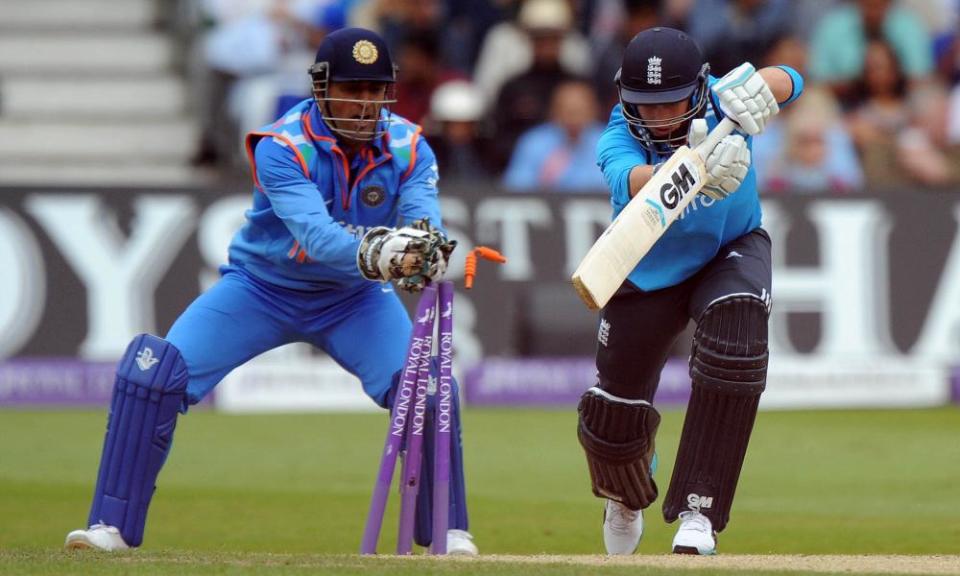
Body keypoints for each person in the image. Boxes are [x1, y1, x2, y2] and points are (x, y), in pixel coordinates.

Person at [64, 27, 478, 556]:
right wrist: (384, 251)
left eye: (375, 92)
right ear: (322, 88)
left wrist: (428, 249)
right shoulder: (281, 146)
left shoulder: (409, 145)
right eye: (353, 90)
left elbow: (422, 222)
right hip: (261, 289)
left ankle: (446, 528)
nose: (365, 105)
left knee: (428, 389)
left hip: (354, 299)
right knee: (153, 373)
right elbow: (316, 235)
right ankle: (110, 528)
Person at [576, 27, 803, 556]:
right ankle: (624, 496)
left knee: (737, 333)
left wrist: (762, 86)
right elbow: (626, 176)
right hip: (645, 269)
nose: (658, 117)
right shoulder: (616, 134)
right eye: (644, 105)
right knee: (613, 421)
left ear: (699, 87)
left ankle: (700, 512)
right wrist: (691, 170)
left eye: (670, 103)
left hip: (731, 249)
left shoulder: (724, 97)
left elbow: (791, 78)